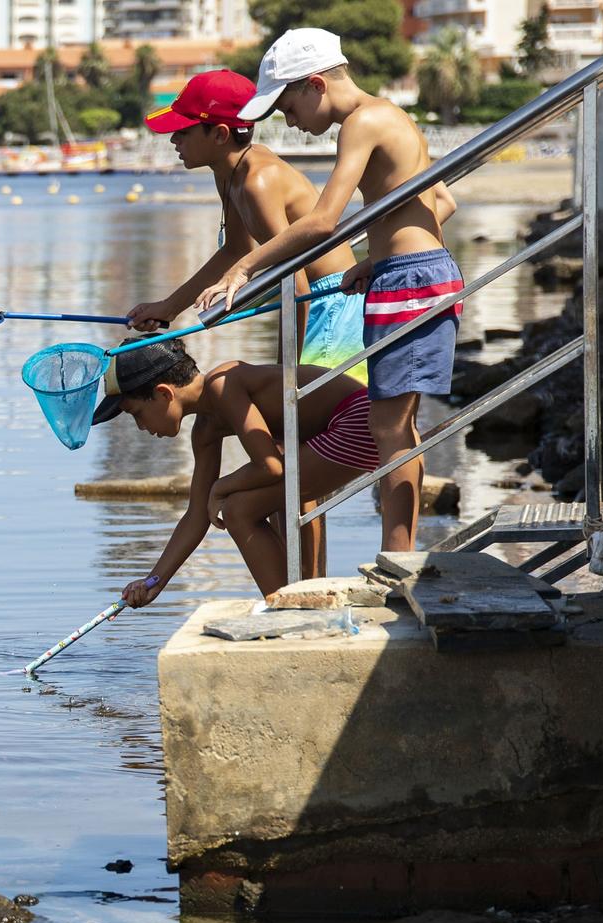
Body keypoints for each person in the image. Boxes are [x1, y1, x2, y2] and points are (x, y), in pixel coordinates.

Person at [196, 27, 461, 555]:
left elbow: (322, 223)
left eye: (288, 106)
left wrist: (243, 269)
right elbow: (442, 202)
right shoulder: (392, 116)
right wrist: (378, 261)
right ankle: (399, 553)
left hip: (409, 280)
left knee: (389, 426)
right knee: (397, 425)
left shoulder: (361, 123)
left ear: (315, 84)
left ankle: (397, 558)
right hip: (408, 273)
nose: (289, 122)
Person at [124, 66, 372, 581]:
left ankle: (311, 586)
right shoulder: (228, 173)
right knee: (285, 466)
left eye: (182, 131)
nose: (172, 141)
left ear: (219, 133)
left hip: (332, 305)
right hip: (314, 304)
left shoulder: (257, 178)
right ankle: (298, 587)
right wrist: (170, 307)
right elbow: (236, 252)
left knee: (298, 465)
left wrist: (291, 376)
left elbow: (298, 284)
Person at [96, 339, 380, 603]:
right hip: (339, 430)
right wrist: (153, 582)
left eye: (136, 414)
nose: (141, 427)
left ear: (163, 393)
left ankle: (287, 608)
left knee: (239, 509)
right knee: (241, 506)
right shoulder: (205, 429)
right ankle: (292, 603)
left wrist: (220, 487)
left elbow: (270, 466)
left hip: (359, 421)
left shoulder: (223, 384)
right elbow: (196, 515)